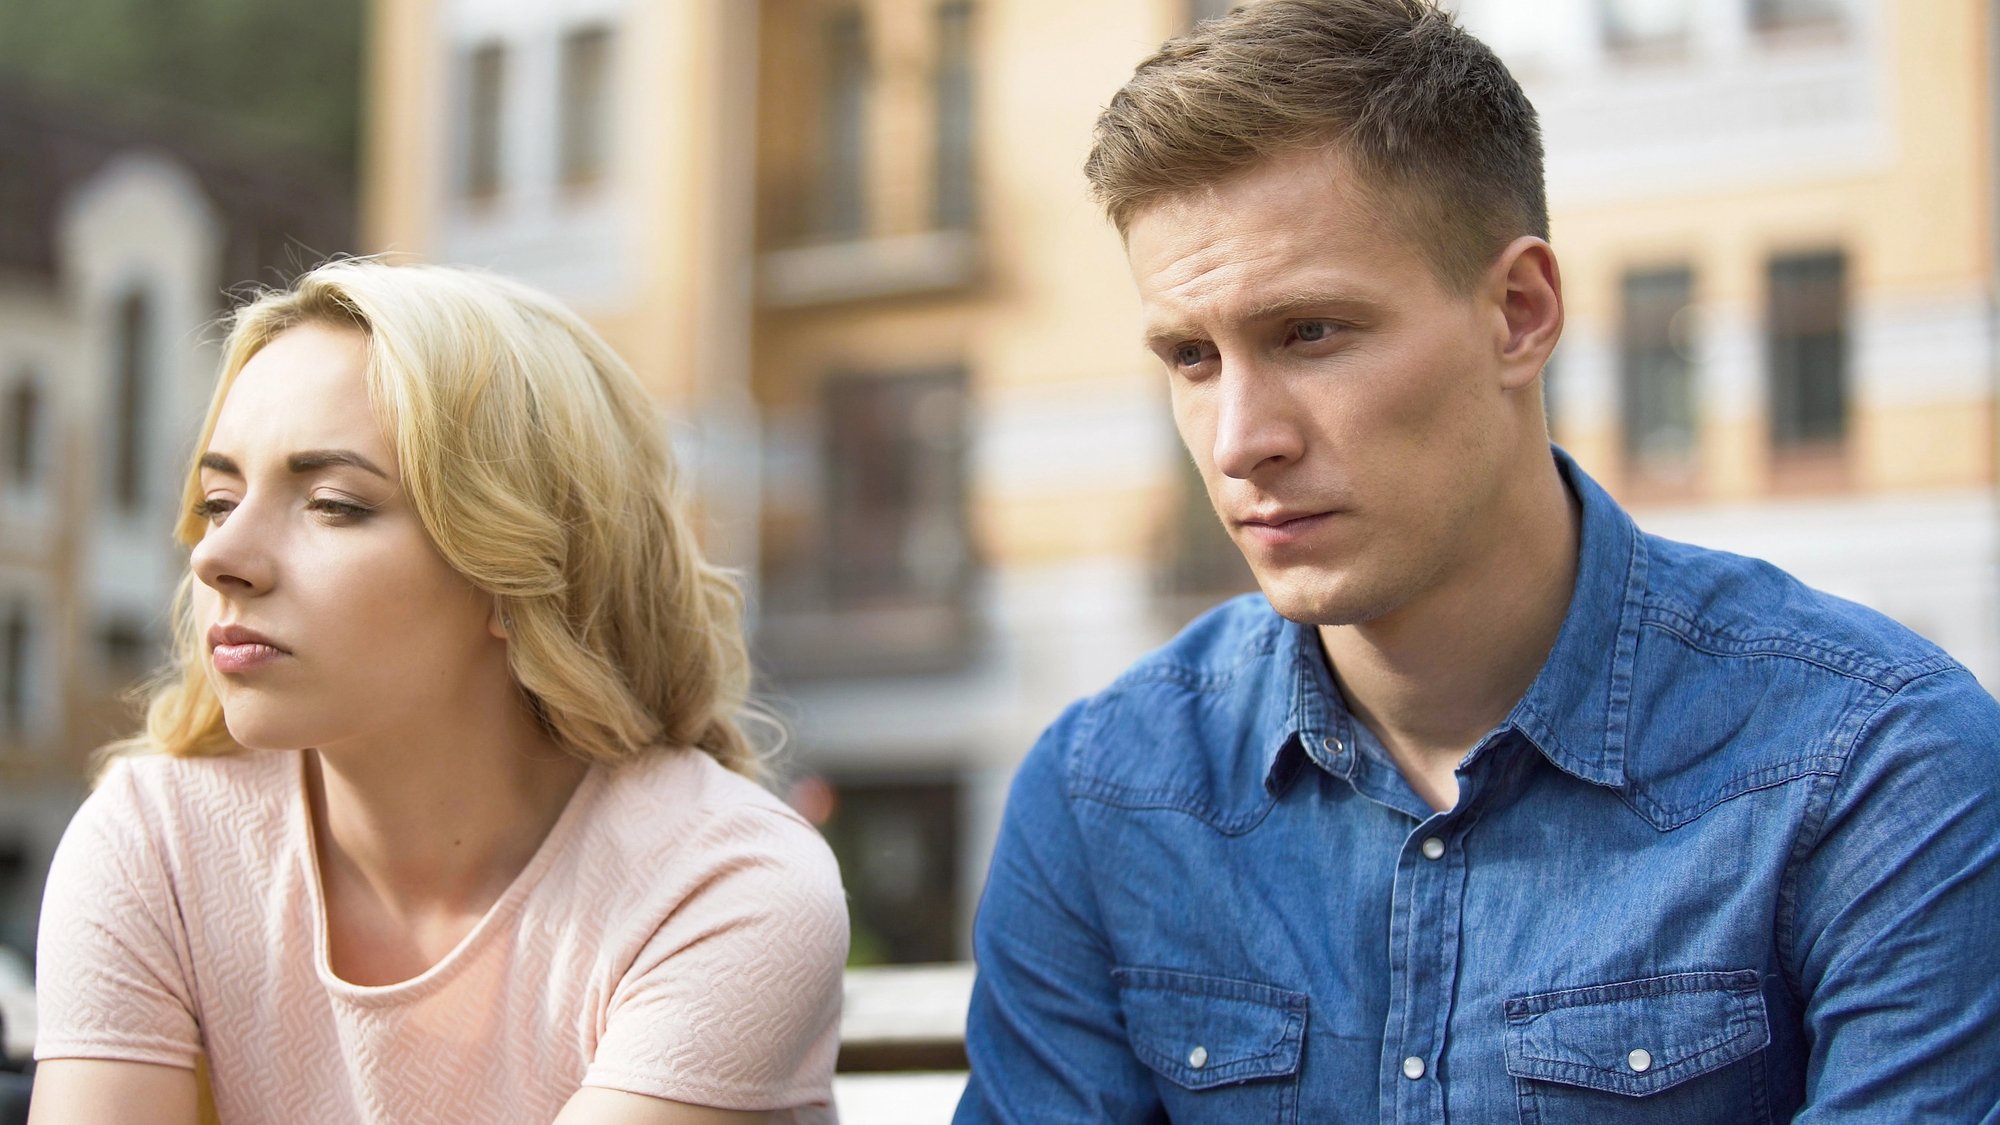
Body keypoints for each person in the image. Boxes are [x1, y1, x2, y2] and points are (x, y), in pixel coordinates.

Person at [955, 1, 2000, 1120]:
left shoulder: (1875, 763)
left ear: (1519, 311)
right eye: (1191, 356)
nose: (1238, 440)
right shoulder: (1106, 791)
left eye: (1309, 332)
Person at [30, 260, 849, 1124]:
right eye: (220, 499)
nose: (216, 555)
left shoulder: (720, 883)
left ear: (517, 574)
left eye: (334, 504)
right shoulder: (156, 840)